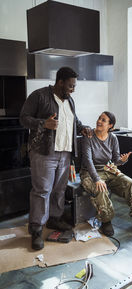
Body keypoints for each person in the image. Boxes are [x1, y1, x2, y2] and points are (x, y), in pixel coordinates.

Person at [20, 67, 92, 250]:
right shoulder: (39, 96)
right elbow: (23, 118)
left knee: (59, 190)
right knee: (42, 191)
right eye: (70, 86)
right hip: (44, 153)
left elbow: (73, 121)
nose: (73, 89)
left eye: (74, 86)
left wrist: (82, 127)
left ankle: (54, 219)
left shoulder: (70, 100)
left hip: (65, 154)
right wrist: (43, 123)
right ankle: (36, 228)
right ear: (60, 82)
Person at [80, 111, 132, 237]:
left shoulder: (113, 138)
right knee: (101, 188)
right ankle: (106, 221)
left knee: (129, 183)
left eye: (103, 120)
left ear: (110, 126)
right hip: (90, 173)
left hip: (108, 169)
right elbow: (88, 161)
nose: (99, 121)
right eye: (99, 118)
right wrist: (97, 179)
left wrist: (122, 161)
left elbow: (115, 160)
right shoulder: (89, 136)